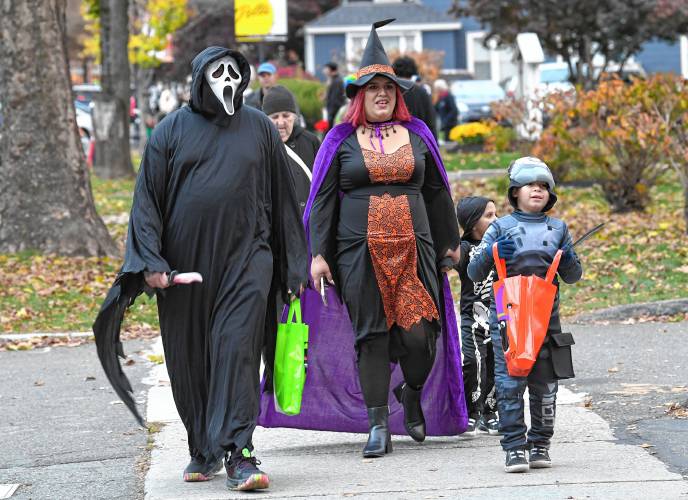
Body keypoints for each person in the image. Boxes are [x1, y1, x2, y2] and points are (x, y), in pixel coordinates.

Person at [93, 46, 308, 491]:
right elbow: (146, 203)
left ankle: (240, 451)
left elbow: (284, 198)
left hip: (249, 259)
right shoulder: (170, 131)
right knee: (190, 360)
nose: (227, 80)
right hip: (185, 269)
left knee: (236, 347)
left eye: (234, 72)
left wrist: (292, 267)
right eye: (217, 72)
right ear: (198, 78)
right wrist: (151, 261)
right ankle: (204, 447)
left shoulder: (259, 129)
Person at [259, 19, 468, 457]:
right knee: (370, 336)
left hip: (415, 252)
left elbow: (437, 192)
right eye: (372, 89)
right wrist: (318, 255)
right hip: (358, 254)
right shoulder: (340, 140)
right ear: (358, 96)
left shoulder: (418, 137)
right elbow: (322, 201)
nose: (381, 95)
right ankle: (378, 425)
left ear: (397, 96)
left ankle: (410, 392)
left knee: (418, 335)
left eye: (388, 90)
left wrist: (450, 241)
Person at [468, 157, 582, 473]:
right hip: (508, 321)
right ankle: (514, 448)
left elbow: (573, 276)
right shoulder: (500, 228)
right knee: (509, 385)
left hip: (547, 321)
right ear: (515, 191)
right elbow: (474, 271)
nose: (538, 190)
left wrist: (568, 259)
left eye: (544, 185)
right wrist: (492, 253)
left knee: (546, 387)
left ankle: (541, 443)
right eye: (531, 184)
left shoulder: (558, 228)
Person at [454, 196, 499, 436]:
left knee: (495, 363)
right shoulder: (464, 249)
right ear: (472, 223)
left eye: (496, 214)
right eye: (489, 216)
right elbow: (444, 263)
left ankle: (490, 412)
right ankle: (471, 411)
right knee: (472, 362)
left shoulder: (502, 245)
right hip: (473, 318)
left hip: (500, 316)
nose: (496, 219)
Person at [262, 85, 320, 213]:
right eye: (275, 117)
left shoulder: (311, 141)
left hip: (311, 222)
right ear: (265, 120)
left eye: (286, 116)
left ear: (295, 116)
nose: (281, 122)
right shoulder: (261, 147)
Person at [392, 56, 437, 138]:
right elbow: (431, 121)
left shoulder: (390, 91)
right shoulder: (422, 91)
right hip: (420, 141)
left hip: (395, 139)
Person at [434, 79, 458, 144]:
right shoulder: (440, 97)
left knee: (450, 142)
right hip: (445, 125)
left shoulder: (449, 96)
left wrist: (446, 120)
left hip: (451, 124)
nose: (436, 91)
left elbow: (454, 110)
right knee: (446, 141)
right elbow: (435, 109)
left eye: (437, 89)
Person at [323, 61, 345, 131]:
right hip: (333, 112)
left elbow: (335, 99)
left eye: (326, 69)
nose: (324, 71)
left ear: (330, 69)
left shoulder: (337, 81)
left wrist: (331, 114)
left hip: (334, 113)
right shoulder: (334, 80)